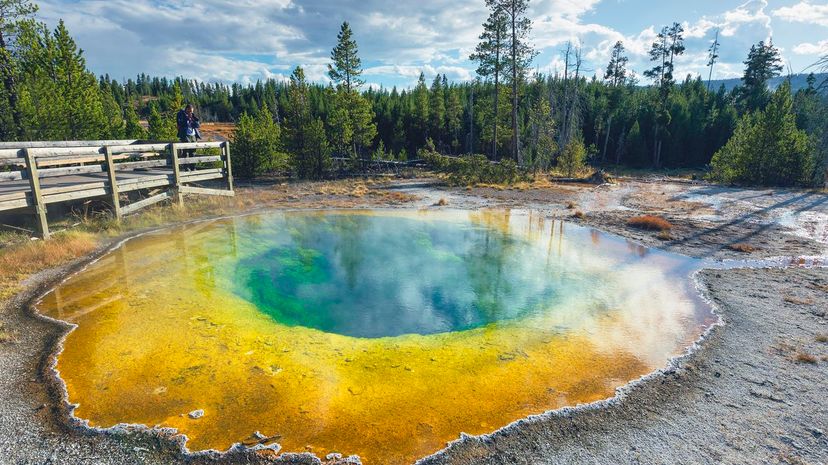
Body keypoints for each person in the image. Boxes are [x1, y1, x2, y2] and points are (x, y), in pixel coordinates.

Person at [176, 104, 201, 168]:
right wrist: (187, 118)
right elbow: (180, 124)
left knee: (193, 152)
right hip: (185, 135)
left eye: (192, 111)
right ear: (186, 109)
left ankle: (193, 167)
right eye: (189, 111)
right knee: (185, 152)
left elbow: (197, 125)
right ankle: (186, 167)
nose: (191, 112)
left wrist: (192, 118)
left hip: (193, 135)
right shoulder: (180, 114)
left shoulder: (192, 115)